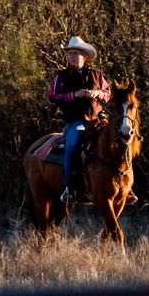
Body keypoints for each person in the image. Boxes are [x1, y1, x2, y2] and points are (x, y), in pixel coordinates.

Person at [47, 36, 111, 204]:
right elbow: (51, 99)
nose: (72, 56)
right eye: (70, 53)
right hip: (76, 121)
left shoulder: (97, 75)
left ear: (84, 56)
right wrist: (74, 95)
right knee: (73, 144)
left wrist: (97, 94)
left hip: (97, 120)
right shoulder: (60, 76)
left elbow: (109, 94)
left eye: (76, 53)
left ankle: (126, 185)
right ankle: (68, 187)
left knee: (120, 138)